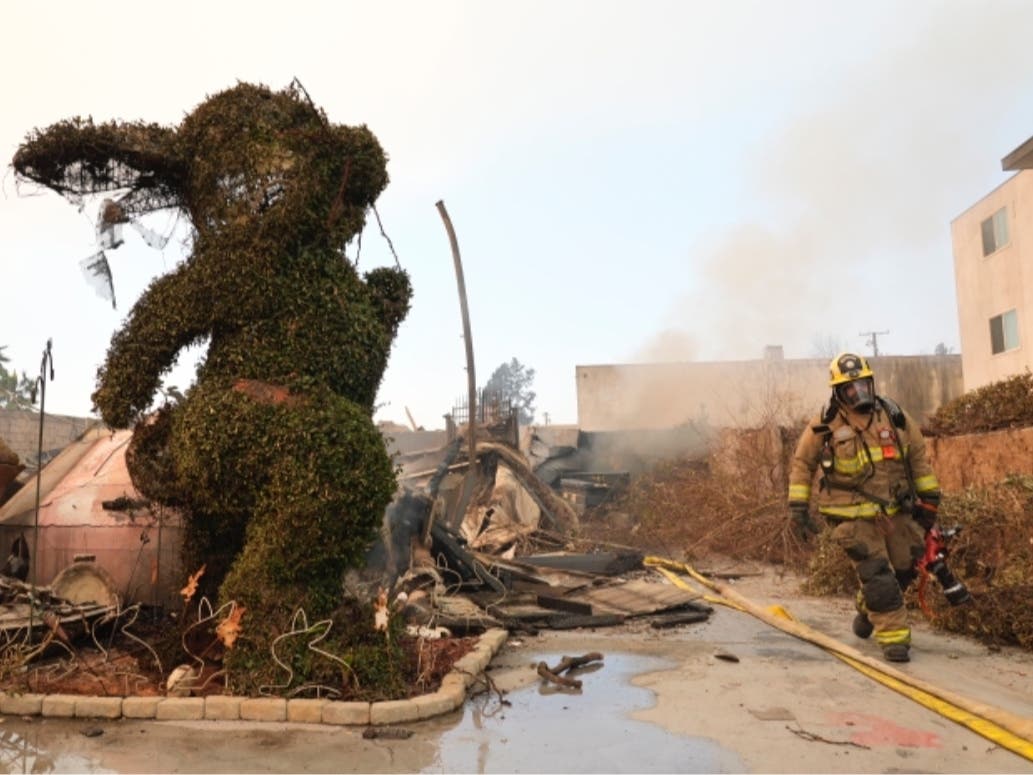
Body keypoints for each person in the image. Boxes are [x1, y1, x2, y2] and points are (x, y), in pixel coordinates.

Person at [787, 352, 942, 663]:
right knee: (878, 575)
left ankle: (866, 609)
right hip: (850, 515)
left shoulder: (894, 415)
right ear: (838, 392)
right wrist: (798, 508)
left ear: (871, 383)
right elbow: (803, 463)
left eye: (863, 386)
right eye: (850, 389)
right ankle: (895, 641)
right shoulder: (825, 424)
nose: (859, 394)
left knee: (903, 570)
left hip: (895, 511)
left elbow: (918, 459)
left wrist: (929, 500)